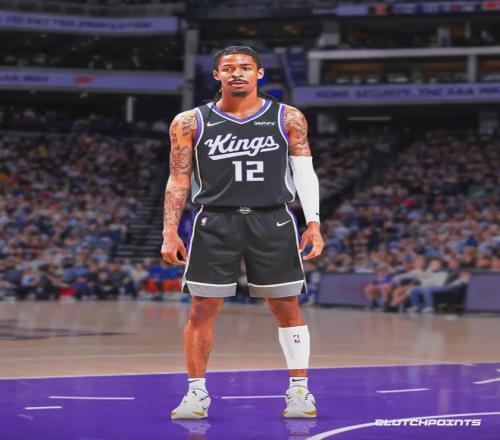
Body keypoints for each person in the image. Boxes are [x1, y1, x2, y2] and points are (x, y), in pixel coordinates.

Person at [161, 46, 324, 419]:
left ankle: (299, 391)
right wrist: (170, 229)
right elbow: (178, 177)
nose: (237, 73)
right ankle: (196, 393)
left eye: (246, 67)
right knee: (202, 307)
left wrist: (313, 222)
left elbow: (304, 171)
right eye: (229, 68)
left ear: (259, 74)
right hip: (215, 220)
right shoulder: (189, 121)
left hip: (273, 219)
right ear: (216, 75)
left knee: (286, 305)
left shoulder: (288, 117)